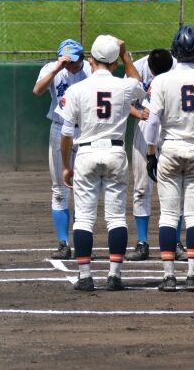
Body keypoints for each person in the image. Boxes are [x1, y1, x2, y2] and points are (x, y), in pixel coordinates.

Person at [59, 35, 144, 291]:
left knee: (84, 219)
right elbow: (138, 82)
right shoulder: (125, 86)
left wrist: (66, 165)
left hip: (85, 153)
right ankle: (114, 275)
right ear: (115, 63)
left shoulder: (76, 89)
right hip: (115, 152)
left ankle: (85, 276)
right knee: (116, 217)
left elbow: (65, 134)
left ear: (91, 61)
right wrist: (125, 53)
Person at [145, 26, 194, 292]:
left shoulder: (161, 80)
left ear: (174, 50)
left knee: (168, 215)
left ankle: (168, 276)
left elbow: (152, 122)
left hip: (171, 148)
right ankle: (193, 275)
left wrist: (151, 153)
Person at [32, 39, 91, 259]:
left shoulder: (90, 70)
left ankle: (82, 239)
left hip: (86, 131)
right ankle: (63, 243)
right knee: (59, 189)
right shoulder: (52, 69)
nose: (71, 66)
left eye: (74, 61)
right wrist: (58, 67)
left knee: (84, 189)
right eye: (67, 62)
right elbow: (37, 90)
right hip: (59, 129)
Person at [126, 49, 176, 262]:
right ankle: (142, 242)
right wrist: (137, 113)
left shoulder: (176, 67)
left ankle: (176, 242)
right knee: (141, 188)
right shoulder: (137, 67)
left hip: (169, 131)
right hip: (144, 129)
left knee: (173, 189)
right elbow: (120, 98)